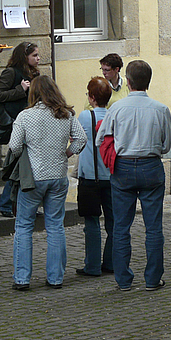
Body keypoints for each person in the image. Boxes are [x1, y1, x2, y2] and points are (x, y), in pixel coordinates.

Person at [96, 60, 171, 292]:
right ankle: (152, 279)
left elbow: (100, 138)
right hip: (151, 165)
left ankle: (123, 280)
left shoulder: (116, 108)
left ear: (127, 82)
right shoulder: (161, 109)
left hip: (123, 167)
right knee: (154, 227)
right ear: (148, 81)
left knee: (121, 226)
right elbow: (166, 145)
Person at [9, 75, 85, 290]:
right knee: (55, 226)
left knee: (24, 226)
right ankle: (55, 278)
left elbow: (14, 146)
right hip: (58, 176)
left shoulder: (25, 116)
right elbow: (81, 138)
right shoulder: (66, 114)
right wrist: (66, 153)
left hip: (33, 178)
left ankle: (22, 278)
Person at [0, 41, 40, 219]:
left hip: (31, 123)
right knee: (18, 164)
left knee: (26, 165)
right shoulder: (11, 72)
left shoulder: (34, 74)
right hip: (16, 124)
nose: (38, 58)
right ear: (24, 56)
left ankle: (21, 204)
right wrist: (20, 89)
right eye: (34, 55)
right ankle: (7, 204)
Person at [75, 77, 114, 277]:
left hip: (89, 177)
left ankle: (92, 266)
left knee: (91, 222)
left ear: (91, 98)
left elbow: (75, 138)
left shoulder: (85, 116)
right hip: (111, 176)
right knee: (113, 223)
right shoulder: (113, 115)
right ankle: (111, 263)